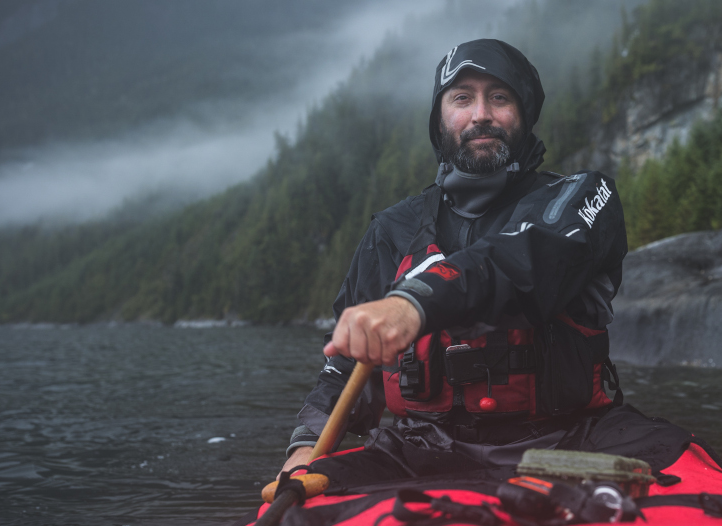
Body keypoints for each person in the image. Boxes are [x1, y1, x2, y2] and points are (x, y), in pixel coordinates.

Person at [281, 39, 685, 489]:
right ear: (440, 121)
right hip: (422, 449)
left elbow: (524, 261)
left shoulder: (582, 198)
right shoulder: (392, 230)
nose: (481, 115)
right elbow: (344, 364)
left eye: (499, 97)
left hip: (571, 442)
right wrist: (305, 449)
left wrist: (411, 304)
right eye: (461, 98)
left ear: (523, 115)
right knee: (307, 497)